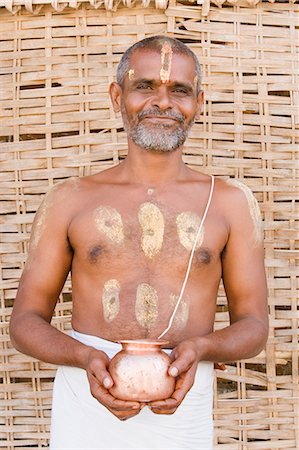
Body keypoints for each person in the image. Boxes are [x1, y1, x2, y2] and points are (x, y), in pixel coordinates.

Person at [9, 35, 268, 450]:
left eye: (179, 90)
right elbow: (24, 323)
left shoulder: (230, 203)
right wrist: (85, 358)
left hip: (184, 404)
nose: (163, 102)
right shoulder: (69, 200)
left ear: (198, 102)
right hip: (85, 400)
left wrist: (201, 347)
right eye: (145, 86)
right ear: (118, 96)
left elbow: (254, 327)